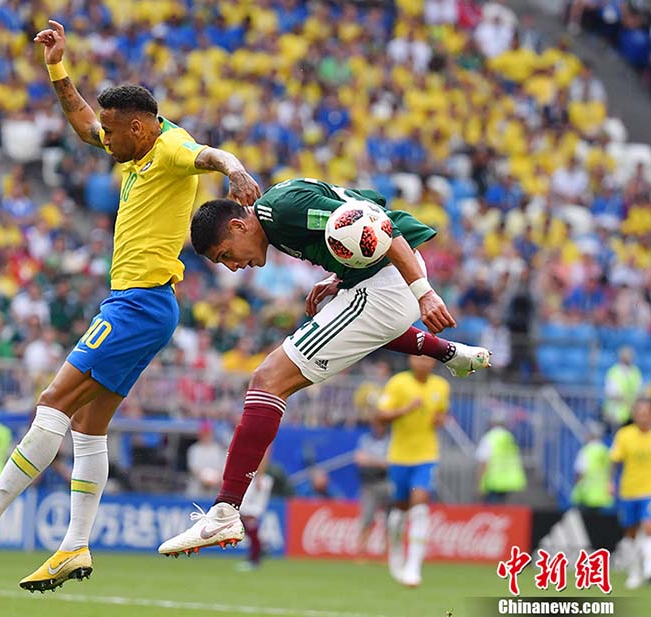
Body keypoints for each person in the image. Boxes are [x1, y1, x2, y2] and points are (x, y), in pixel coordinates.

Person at [0, 19, 260, 593]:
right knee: (87, 424)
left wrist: (235, 169)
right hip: (147, 306)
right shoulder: (134, 148)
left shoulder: (172, 146)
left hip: (137, 304)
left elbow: (210, 154)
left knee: (53, 400)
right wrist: (58, 67)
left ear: (139, 127)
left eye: (113, 130)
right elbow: (81, 122)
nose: (104, 139)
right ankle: (74, 546)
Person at [158, 178, 490, 557]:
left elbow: (379, 222)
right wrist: (338, 277)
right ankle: (451, 355)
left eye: (225, 255)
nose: (233, 267)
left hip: (391, 283)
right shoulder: (276, 217)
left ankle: (226, 509)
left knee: (267, 380)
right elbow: (364, 201)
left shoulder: (281, 212)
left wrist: (424, 293)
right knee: (352, 332)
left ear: (238, 226)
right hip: (375, 281)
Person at [378, 356, 449, 588]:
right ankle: (396, 552)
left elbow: (441, 414)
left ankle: (413, 567)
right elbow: (381, 415)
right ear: (410, 359)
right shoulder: (398, 383)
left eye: (429, 359)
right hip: (399, 456)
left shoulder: (441, 386)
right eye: (420, 358)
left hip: (426, 456)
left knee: (419, 506)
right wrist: (407, 409)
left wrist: (439, 419)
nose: (424, 363)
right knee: (400, 508)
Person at [611, 399, 651, 590]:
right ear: (634, 414)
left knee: (649, 527)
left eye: (646, 412)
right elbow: (615, 461)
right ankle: (635, 571)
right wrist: (609, 482)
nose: (643, 415)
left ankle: (649, 568)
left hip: (649, 491)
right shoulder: (624, 435)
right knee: (631, 533)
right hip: (629, 491)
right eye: (640, 412)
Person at [355, 410, 390, 551]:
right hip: (369, 483)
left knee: (390, 519)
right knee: (367, 517)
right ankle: (360, 551)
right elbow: (359, 460)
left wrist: (371, 460)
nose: (378, 427)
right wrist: (379, 462)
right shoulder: (365, 439)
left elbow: (390, 463)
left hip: (387, 482)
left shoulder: (391, 440)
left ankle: (387, 552)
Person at [475, 409, 527, 504]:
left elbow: (483, 462)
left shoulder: (489, 437)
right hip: (508, 480)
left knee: (492, 511)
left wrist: (480, 484)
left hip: (493, 481)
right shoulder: (509, 437)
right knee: (502, 509)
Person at [236, 447, 274, 571]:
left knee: (249, 516)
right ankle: (261, 546)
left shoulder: (261, 433)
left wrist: (259, 476)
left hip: (257, 479)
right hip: (251, 477)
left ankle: (255, 557)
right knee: (242, 516)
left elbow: (266, 451)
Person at [571, 421, 614, 512]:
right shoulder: (606, 451)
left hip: (586, 495)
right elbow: (611, 470)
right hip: (603, 496)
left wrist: (576, 488)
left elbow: (580, 471)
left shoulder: (586, 451)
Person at [603, 347, 644, 430]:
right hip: (616, 413)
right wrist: (628, 399)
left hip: (632, 413)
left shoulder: (636, 371)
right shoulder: (614, 372)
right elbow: (611, 393)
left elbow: (640, 391)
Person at [185, 421, 227, 497]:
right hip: (197, 487)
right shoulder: (194, 449)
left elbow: (223, 468)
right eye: (204, 433)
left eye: (208, 433)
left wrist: (215, 479)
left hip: (215, 487)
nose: (206, 435)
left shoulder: (218, 449)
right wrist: (205, 478)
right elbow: (194, 469)